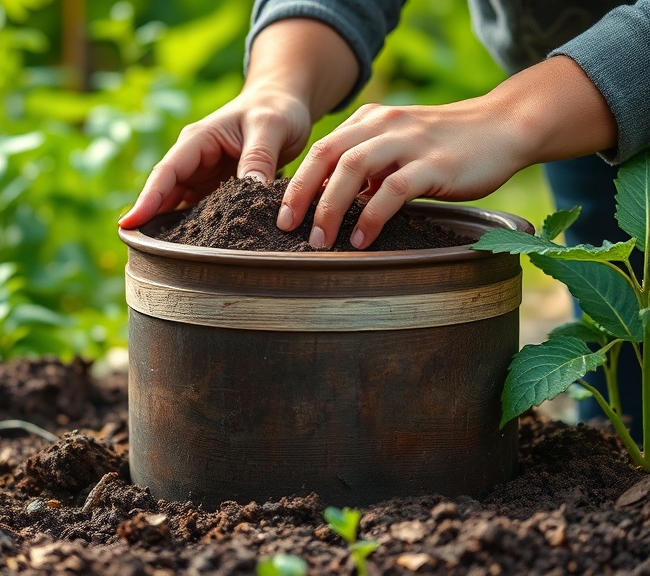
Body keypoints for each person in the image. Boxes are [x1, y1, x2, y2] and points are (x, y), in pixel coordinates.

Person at [118, 1, 650, 442]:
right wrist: (280, 85)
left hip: (586, 91)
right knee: (624, 410)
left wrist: (514, 116)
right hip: (580, 106)